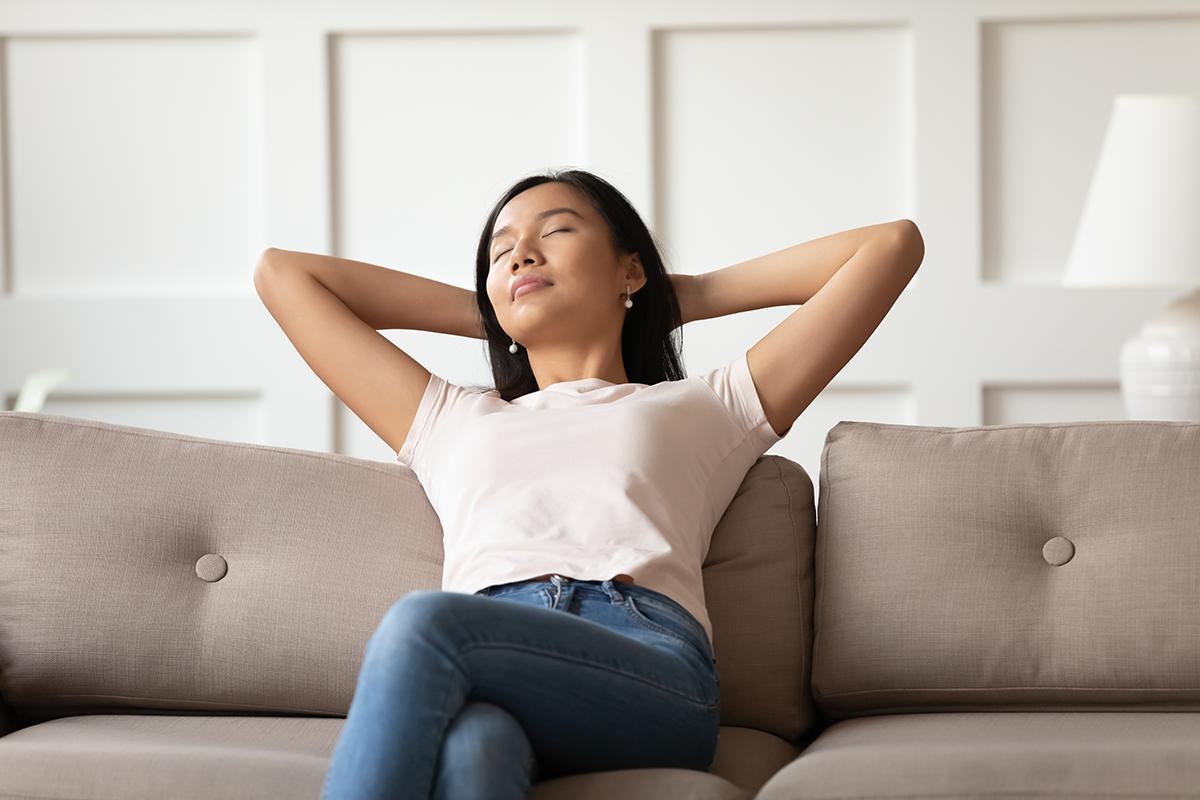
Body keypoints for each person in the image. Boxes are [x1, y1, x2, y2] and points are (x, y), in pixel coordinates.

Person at [254, 167, 922, 799]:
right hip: (490, 668)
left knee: (420, 624)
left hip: (646, 665)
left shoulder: (708, 407)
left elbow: (889, 246)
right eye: (502, 252)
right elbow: (283, 274)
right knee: (474, 749)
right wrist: (498, 309)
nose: (521, 255)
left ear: (628, 267)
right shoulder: (452, 419)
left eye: (556, 231)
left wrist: (673, 295)